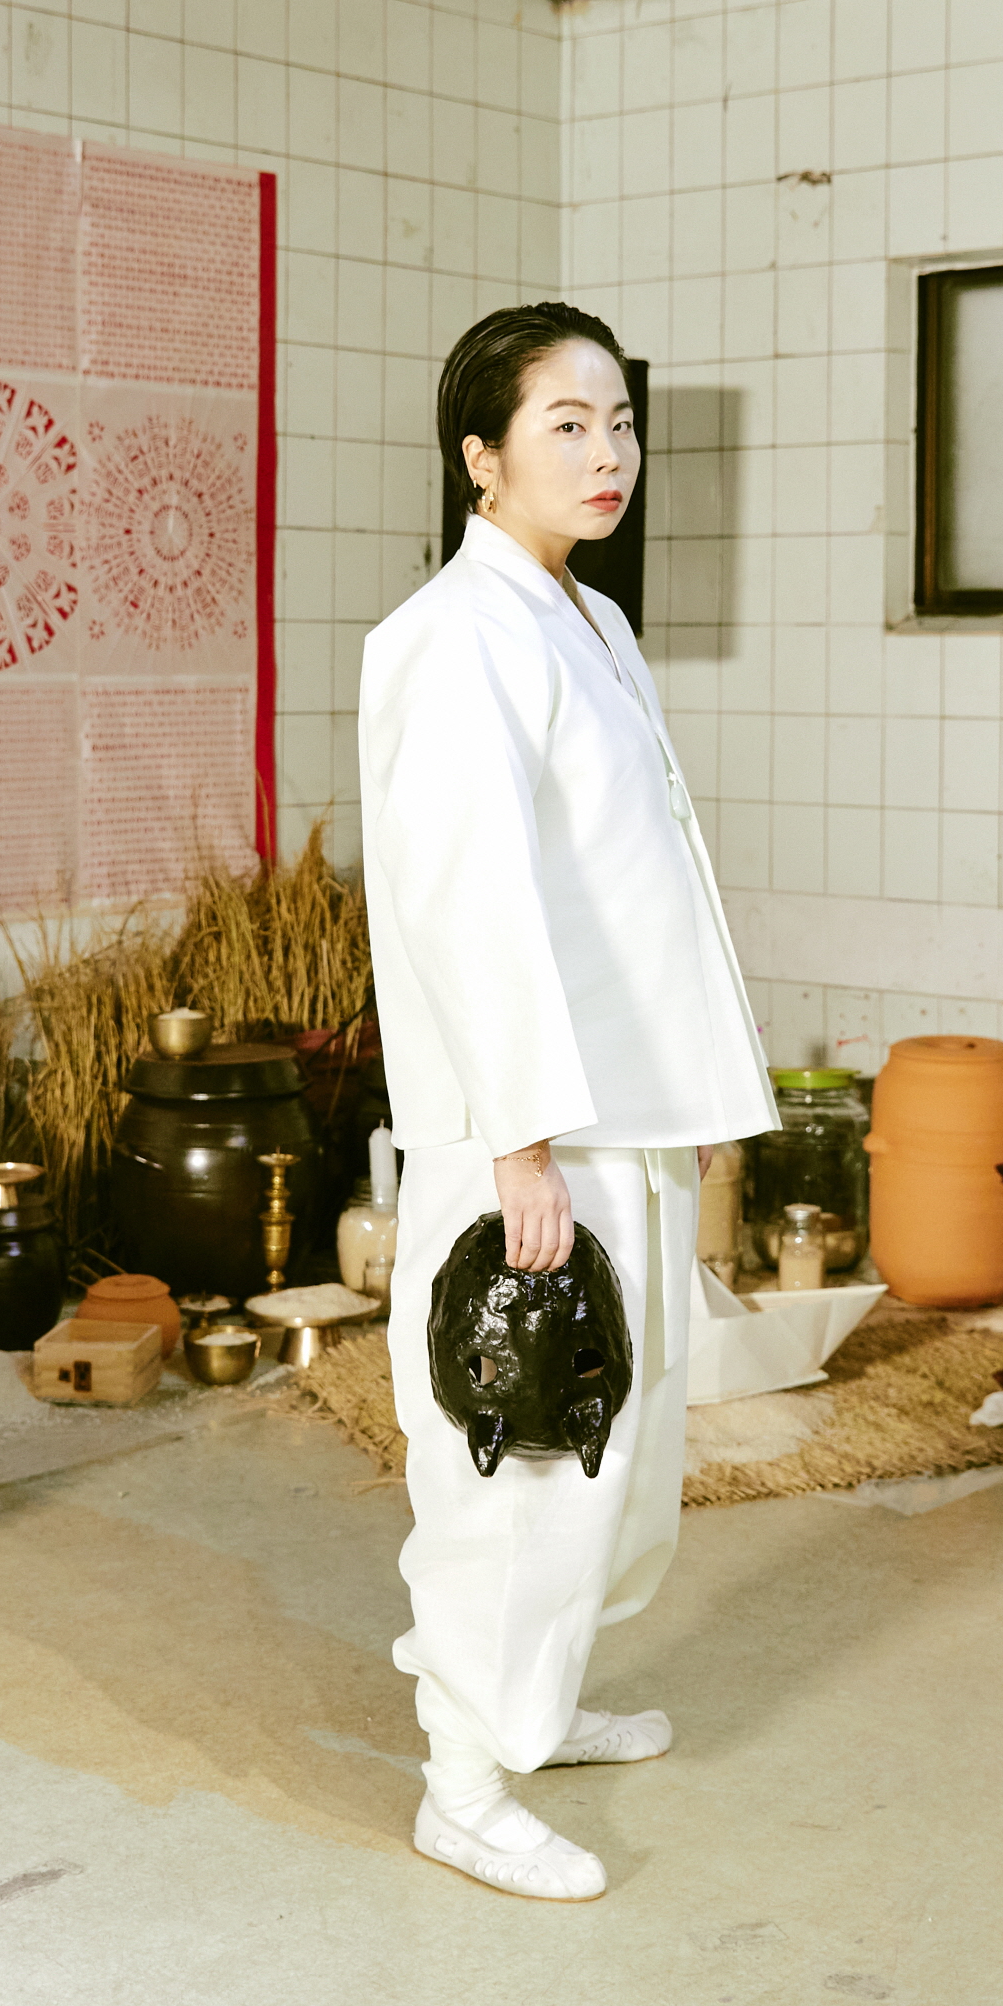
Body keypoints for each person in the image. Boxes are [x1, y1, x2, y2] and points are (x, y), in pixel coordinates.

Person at [360, 303, 776, 1901]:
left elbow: (635, 880)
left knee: (623, 1438)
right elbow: (469, 904)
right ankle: (464, 1781)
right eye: (566, 425)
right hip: (531, 1128)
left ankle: (537, 1703)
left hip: (624, 1106)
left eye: (620, 422)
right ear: (480, 457)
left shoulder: (588, 617)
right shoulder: (453, 634)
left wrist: (680, 1096)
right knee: (521, 1456)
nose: (609, 454)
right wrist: (518, 1143)